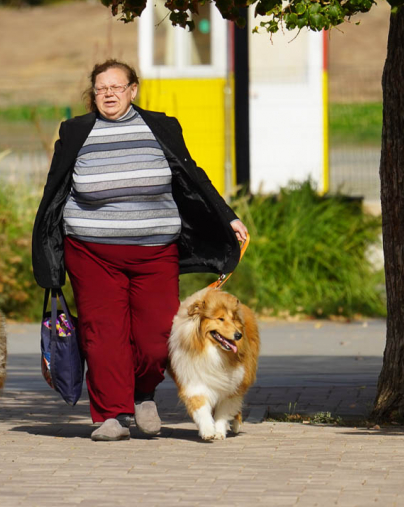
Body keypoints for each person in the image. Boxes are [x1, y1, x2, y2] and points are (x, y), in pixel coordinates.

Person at [32, 59, 248, 441]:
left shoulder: (160, 127)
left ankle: (142, 393)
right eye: (101, 88)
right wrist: (48, 251)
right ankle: (109, 415)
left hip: (154, 251)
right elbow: (55, 191)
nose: (109, 94)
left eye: (117, 87)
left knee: (157, 335)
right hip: (91, 250)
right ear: (92, 93)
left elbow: (192, 175)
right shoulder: (76, 131)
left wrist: (227, 217)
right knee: (103, 334)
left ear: (133, 90)